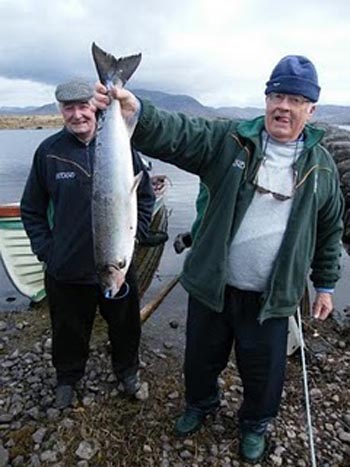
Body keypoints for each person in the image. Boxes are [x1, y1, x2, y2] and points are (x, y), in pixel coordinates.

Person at [93, 55, 344, 463]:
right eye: (277, 94)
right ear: (266, 99)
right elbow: (181, 133)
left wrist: (327, 285)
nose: (284, 105)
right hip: (213, 285)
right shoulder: (229, 141)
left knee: (263, 373)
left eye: (296, 99)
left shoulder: (323, 169)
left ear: (311, 109)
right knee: (200, 359)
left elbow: (330, 232)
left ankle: (254, 424)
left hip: (271, 296)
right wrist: (136, 110)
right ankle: (201, 405)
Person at [20, 78, 155, 410]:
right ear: (61, 111)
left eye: (84, 106)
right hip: (66, 270)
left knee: (126, 327)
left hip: (117, 264)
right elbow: (31, 209)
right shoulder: (49, 153)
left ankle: (128, 374)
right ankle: (67, 379)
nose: (77, 114)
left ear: (96, 107)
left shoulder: (121, 148)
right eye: (69, 108)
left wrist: (137, 235)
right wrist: (47, 252)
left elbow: (145, 195)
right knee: (67, 331)